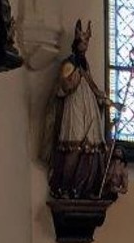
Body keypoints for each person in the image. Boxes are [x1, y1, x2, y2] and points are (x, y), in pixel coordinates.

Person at [40, 19, 115, 198]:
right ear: (76, 43)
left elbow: (91, 84)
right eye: (82, 42)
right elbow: (64, 86)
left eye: (87, 42)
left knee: (90, 147)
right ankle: (65, 187)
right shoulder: (69, 63)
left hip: (88, 105)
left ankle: (82, 188)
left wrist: (103, 98)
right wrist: (75, 76)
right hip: (74, 106)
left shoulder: (84, 63)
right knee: (73, 145)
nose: (85, 46)